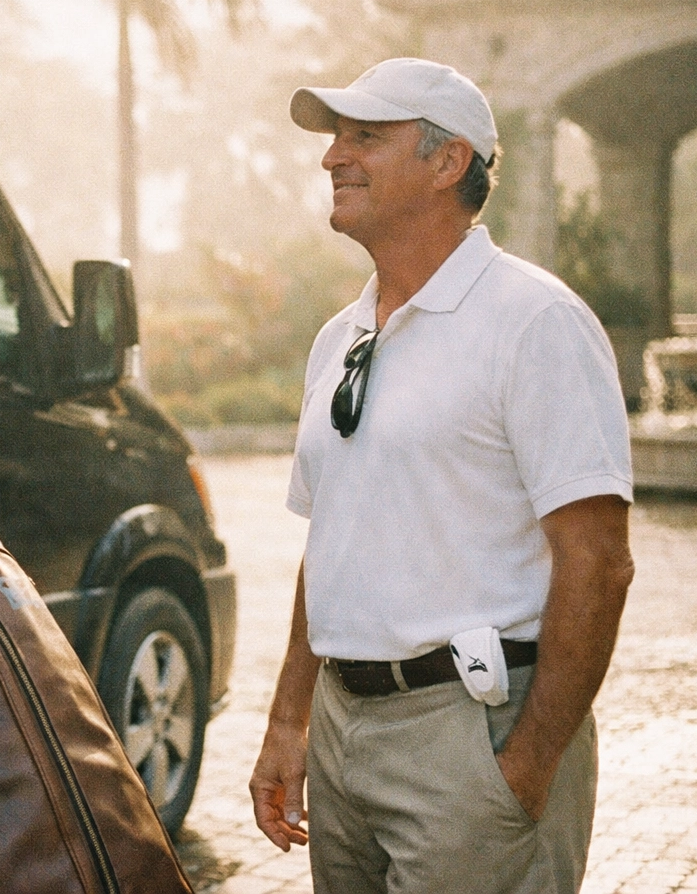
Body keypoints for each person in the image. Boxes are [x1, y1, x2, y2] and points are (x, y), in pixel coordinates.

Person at [247, 58, 635, 893]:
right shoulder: (341, 337)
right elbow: (332, 541)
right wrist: (291, 720)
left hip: (471, 731)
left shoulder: (535, 323)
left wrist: (526, 765)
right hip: (344, 734)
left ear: (447, 162)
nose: (331, 157)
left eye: (364, 137)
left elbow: (599, 561)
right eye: (334, 138)